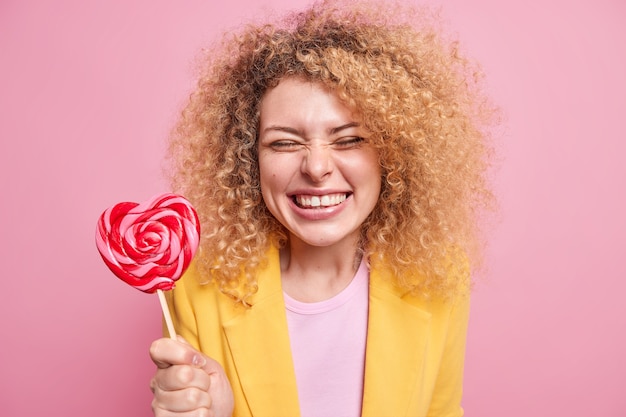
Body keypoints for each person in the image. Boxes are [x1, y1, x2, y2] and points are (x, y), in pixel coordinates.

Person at [149, 0, 495, 415]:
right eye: (284, 142)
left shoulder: (439, 278)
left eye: (348, 139)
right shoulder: (196, 291)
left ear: (395, 154)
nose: (316, 168)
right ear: (247, 160)